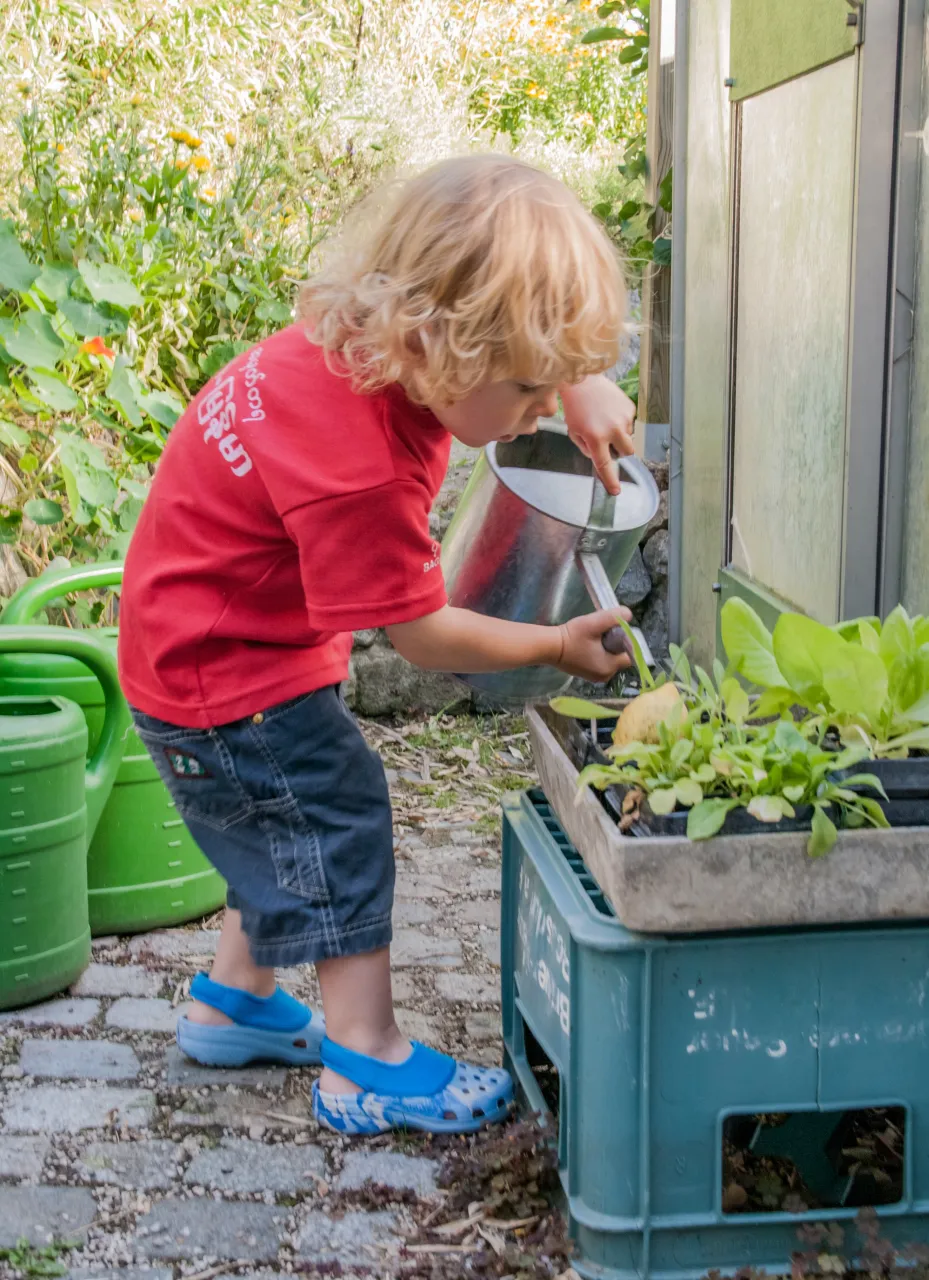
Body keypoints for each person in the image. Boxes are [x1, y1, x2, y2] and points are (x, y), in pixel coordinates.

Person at [118, 153, 637, 1135]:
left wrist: (577, 384)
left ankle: (232, 1001)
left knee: (275, 824)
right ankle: (365, 1055)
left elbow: (500, 330)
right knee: (335, 816)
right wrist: (556, 643)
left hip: (198, 639)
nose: (540, 410)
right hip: (225, 677)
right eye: (531, 387)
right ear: (441, 344)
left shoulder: (357, 335)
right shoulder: (357, 468)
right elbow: (424, 632)